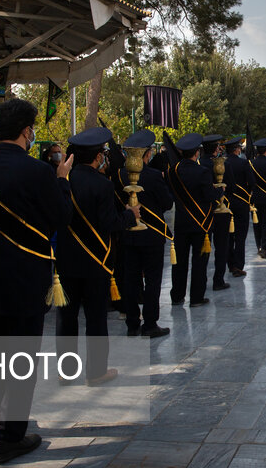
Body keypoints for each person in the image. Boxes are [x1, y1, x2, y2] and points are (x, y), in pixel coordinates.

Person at [0, 98, 73, 464]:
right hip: (28, 276)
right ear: (28, 131)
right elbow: (60, 218)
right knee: (22, 358)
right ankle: (10, 437)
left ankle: (5, 418)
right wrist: (62, 182)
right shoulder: (39, 172)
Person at [55, 127, 138, 386]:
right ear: (97, 157)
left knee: (66, 320)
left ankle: (66, 372)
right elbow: (109, 222)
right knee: (95, 319)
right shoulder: (101, 184)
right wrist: (130, 215)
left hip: (66, 262)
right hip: (95, 262)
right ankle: (96, 371)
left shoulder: (62, 181)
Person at [120, 131, 172, 338]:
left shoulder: (119, 175)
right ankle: (150, 323)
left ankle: (132, 322)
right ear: (147, 154)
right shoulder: (152, 176)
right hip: (152, 235)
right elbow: (167, 203)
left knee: (130, 280)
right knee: (152, 280)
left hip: (127, 235)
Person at [168, 133, 222, 305]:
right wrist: (219, 191)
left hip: (182, 222)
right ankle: (196, 297)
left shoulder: (172, 171)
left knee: (180, 262)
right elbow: (208, 196)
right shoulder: (202, 172)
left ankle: (177, 295)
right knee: (199, 262)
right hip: (201, 223)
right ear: (196, 153)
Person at [199, 135, 233, 291]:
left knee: (203, 249)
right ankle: (218, 280)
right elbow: (229, 183)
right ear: (215, 148)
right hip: (218, 209)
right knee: (221, 246)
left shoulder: (199, 164)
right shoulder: (218, 164)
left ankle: (200, 282)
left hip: (201, 212)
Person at [223, 137, 253, 276]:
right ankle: (238, 265)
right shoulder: (243, 163)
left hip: (226, 203)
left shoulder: (222, 163)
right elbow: (251, 182)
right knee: (240, 236)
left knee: (229, 235)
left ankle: (230, 264)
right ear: (237, 149)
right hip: (241, 202)